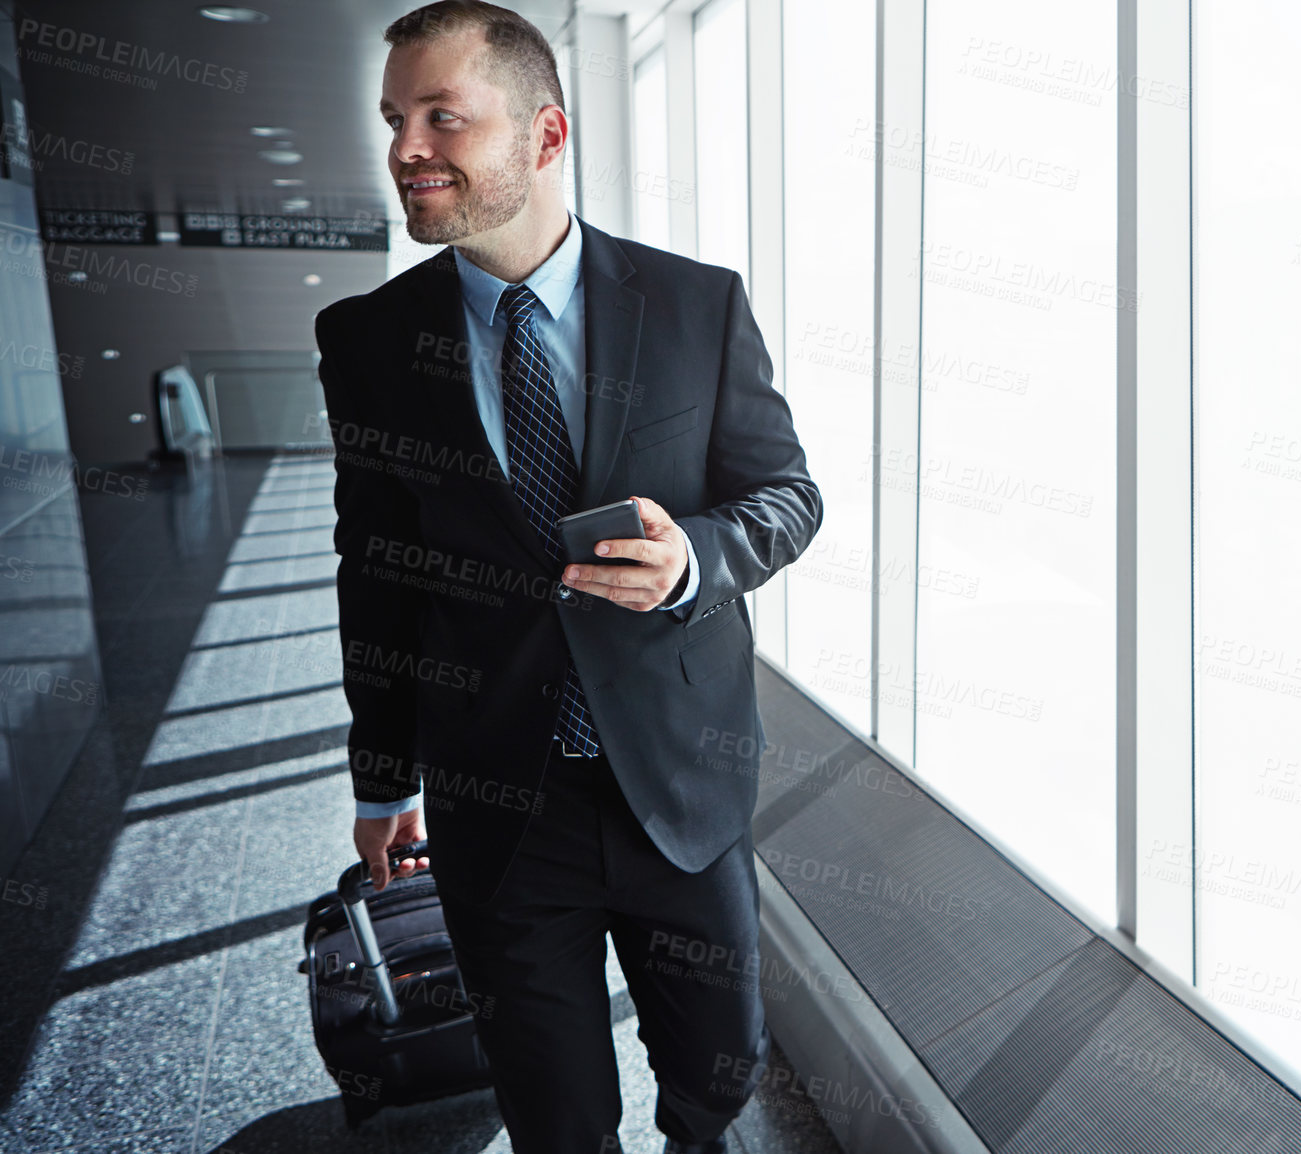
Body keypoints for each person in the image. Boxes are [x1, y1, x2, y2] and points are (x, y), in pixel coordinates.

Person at [313, 3, 822, 1150]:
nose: (406, 147)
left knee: (718, 1070)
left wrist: (696, 556)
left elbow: (787, 497)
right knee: (555, 1113)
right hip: (499, 801)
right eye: (396, 119)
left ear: (545, 137)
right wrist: (383, 778)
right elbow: (375, 569)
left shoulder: (694, 305)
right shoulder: (369, 341)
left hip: (679, 790)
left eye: (444, 115)